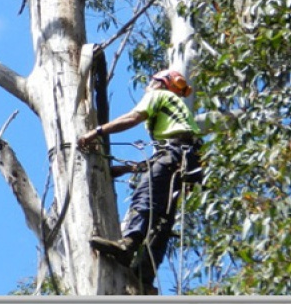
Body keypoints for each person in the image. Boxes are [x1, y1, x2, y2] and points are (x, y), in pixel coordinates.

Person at [77, 69, 202, 295]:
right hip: (186, 160)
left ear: (159, 83)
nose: (148, 86)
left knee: (145, 197)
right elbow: (159, 161)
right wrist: (125, 169)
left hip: (175, 155)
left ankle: (128, 245)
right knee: (162, 221)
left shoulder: (159, 95)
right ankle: (145, 276)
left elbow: (132, 118)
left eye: (151, 82)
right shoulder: (178, 116)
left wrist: (96, 132)